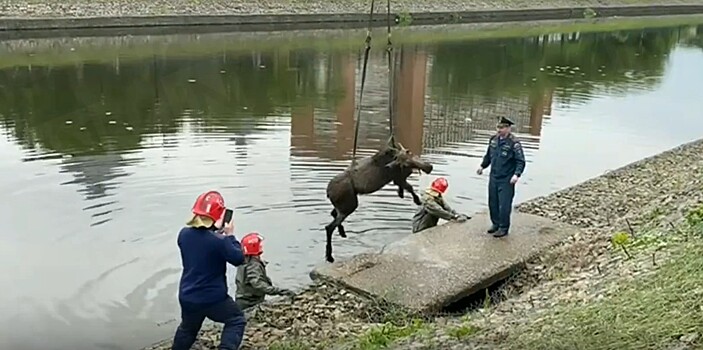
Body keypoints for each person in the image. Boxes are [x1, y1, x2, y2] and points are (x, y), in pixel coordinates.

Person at [172, 191, 247, 350]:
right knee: (236, 320)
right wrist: (230, 236)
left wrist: (217, 234)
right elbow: (239, 258)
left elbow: (202, 243)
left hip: (188, 296)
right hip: (213, 299)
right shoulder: (221, 242)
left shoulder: (183, 235)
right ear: (217, 216)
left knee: (188, 329)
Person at [476, 116, 526, 238]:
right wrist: (482, 166)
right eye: (498, 127)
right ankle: (495, 224)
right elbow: (489, 155)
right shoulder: (493, 140)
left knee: (504, 204)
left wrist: (516, 175)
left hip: (506, 179)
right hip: (494, 177)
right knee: (493, 202)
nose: (499, 130)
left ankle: (504, 227)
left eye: (502, 127)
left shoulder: (514, 143)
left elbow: (520, 161)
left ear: (508, 128)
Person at [234, 232, 295, 311]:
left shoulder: (244, 261)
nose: (261, 245)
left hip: (244, 301)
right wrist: (279, 291)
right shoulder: (253, 265)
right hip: (250, 303)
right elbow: (257, 283)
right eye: (259, 244)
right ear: (254, 247)